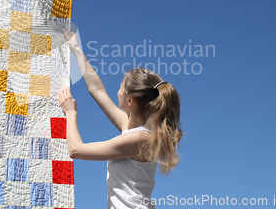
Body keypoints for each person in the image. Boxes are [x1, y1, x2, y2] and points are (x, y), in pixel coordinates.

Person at [57, 29, 183, 209]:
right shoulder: (134, 130)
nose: (117, 90)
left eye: (120, 86)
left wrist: (70, 113)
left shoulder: (139, 138)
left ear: (130, 99)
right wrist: (76, 48)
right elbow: (97, 91)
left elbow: (76, 150)